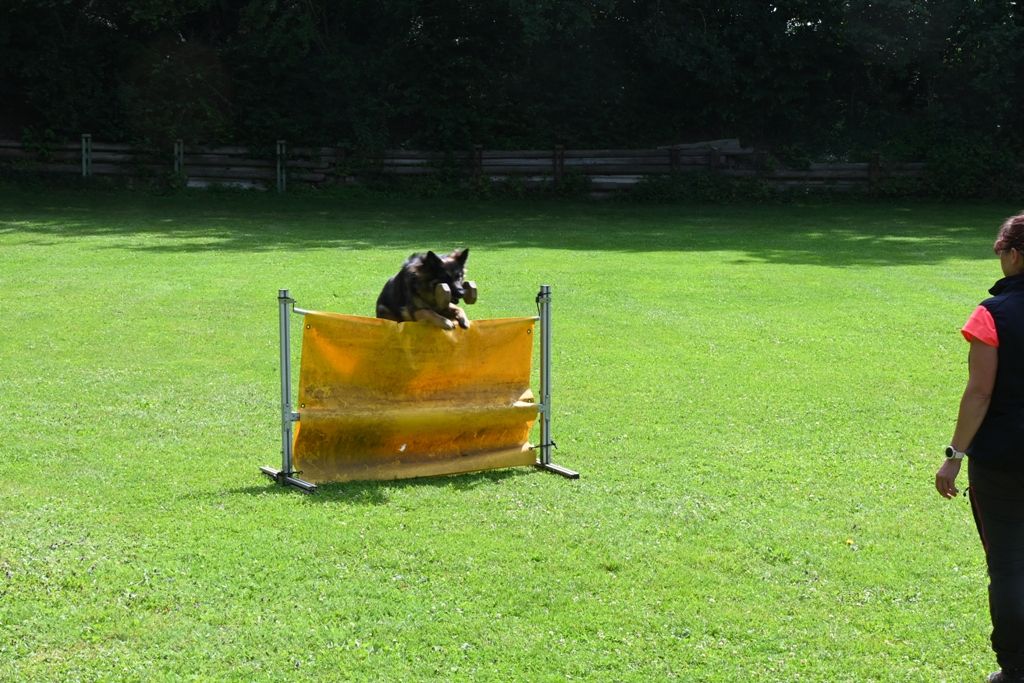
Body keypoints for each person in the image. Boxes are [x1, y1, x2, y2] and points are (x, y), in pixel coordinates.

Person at [936, 212, 1024, 683]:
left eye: (1002, 252)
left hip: (1003, 460)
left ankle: (1015, 669)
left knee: (1009, 566)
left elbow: (980, 393)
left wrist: (953, 456)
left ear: (1014, 255)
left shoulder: (991, 314)